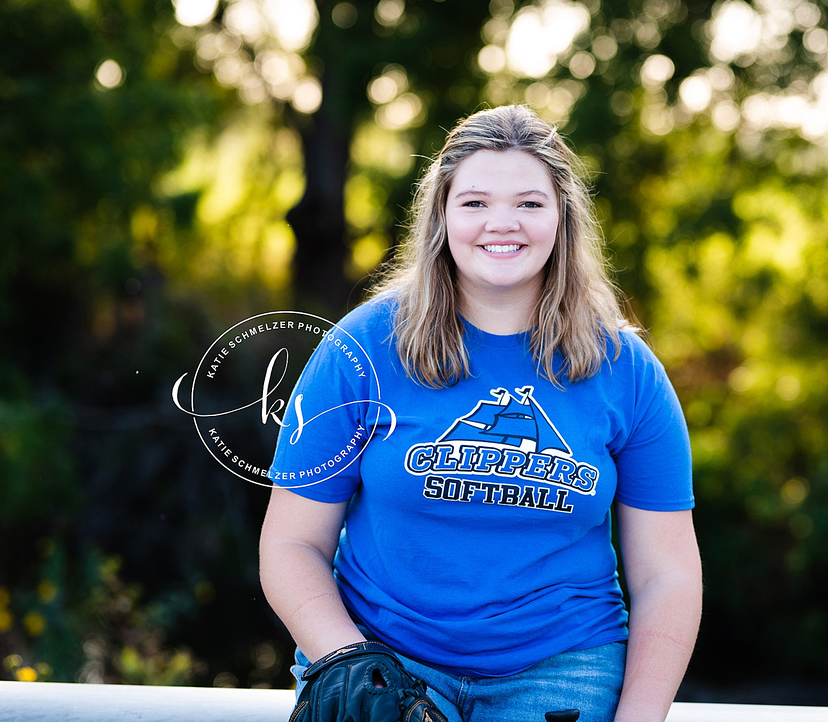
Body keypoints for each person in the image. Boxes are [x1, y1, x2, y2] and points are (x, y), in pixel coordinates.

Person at [259, 104, 701, 722]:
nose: (502, 223)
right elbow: (290, 542)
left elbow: (667, 574)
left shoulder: (627, 371)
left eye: (529, 202)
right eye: (474, 202)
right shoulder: (361, 350)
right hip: (383, 656)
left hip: (559, 668)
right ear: (441, 216)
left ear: (562, 218)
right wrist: (349, 661)